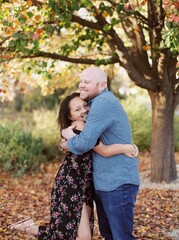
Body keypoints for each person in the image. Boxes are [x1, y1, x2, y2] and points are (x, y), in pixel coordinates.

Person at [9, 92, 138, 240]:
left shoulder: (83, 127)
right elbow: (103, 151)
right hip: (73, 183)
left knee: (73, 233)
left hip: (85, 185)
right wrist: (127, 148)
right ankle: (32, 229)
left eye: (85, 105)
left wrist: (64, 141)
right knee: (81, 236)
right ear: (70, 116)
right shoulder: (82, 127)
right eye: (77, 109)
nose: (84, 110)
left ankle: (31, 228)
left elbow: (70, 143)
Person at [60, 67, 140, 240]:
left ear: (102, 85)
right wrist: (65, 141)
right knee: (109, 235)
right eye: (81, 81)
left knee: (121, 237)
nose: (82, 85)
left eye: (87, 82)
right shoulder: (94, 105)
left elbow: (85, 143)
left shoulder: (103, 103)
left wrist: (67, 139)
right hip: (104, 184)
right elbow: (96, 146)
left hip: (118, 183)